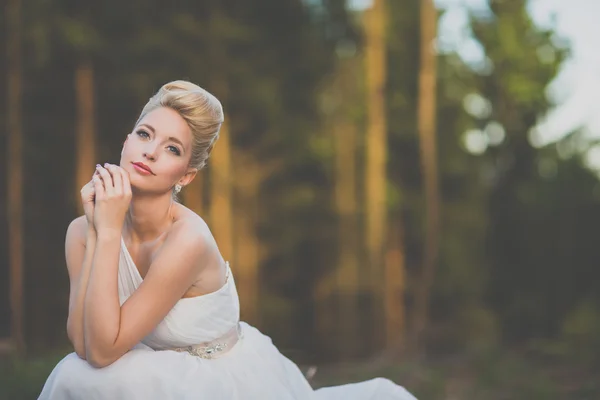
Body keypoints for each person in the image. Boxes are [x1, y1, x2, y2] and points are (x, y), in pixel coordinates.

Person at [38, 80, 417, 400]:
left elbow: (102, 352)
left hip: (216, 379)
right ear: (125, 143)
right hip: (147, 370)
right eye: (144, 134)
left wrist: (106, 233)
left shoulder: (188, 240)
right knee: (74, 369)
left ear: (185, 176)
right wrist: (100, 230)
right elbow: (85, 344)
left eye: (172, 148)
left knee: (78, 375)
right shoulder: (81, 230)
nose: (150, 151)